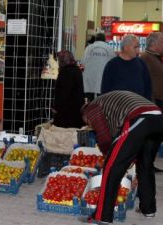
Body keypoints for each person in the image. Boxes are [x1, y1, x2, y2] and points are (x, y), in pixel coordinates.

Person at [81, 91, 163, 224]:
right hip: (158, 118)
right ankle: (148, 209)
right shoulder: (109, 107)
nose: (91, 126)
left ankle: (102, 216)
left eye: (89, 123)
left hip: (140, 117)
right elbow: (128, 143)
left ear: (86, 115)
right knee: (145, 164)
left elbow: (104, 138)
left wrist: (109, 157)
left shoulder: (91, 108)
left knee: (111, 167)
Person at [101, 34, 152, 100]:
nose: (138, 50)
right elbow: (105, 88)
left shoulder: (141, 63)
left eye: (138, 47)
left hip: (138, 104)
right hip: (118, 105)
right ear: (125, 47)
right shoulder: (112, 65)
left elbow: (148, 86)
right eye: (135, 47)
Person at [52, 50, 85, 128]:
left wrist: (56, 107)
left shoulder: (66, 72)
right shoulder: (77, 70)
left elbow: (64, 93)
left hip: (66, 116)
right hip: (76, 114)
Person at [81, 32, 115, 101]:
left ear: (95, 39)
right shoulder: (109, 48)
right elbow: (113, 64)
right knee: (101, 101)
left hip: (89, 78)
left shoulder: (89, 48)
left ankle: (90, 111)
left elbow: (82, 62)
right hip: (103, 79)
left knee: (90, 100)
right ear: (104, 39)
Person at [140, 32, 163, 108]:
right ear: (154, 44)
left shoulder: (156, 57)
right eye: (162, 42)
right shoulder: (145, 58)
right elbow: (144, 81)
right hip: (155, 102)